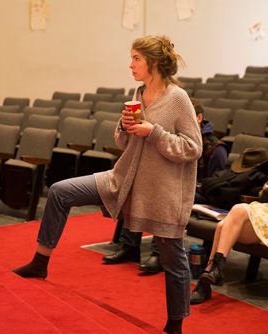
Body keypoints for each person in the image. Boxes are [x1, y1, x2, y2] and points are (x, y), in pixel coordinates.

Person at [12, 35, 202, 334]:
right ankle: (39, 261)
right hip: (123, 177)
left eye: (136, 58)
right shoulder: (138, 92)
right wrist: (124, 126)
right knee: (61, 192)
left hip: (160, 190)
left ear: (152, 62)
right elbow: (123, 141)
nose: (130, 64)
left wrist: (154, 132)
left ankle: (175, 324)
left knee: (172, 256)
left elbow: (193, 148)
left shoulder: (178, 98)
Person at [102, 98, 228, 275]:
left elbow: (217, 184)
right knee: (138, 187)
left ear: (198, 118)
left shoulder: (215, 148)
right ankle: (130, 245)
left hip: (201, 193)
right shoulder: (174, 137)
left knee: (164, 194)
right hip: (175, 184)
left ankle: (158, 253)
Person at [190, 158, 268, 304]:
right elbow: (264, 198)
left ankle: (206, 281)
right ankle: (213, 272)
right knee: (225, 223)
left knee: (224, 224)